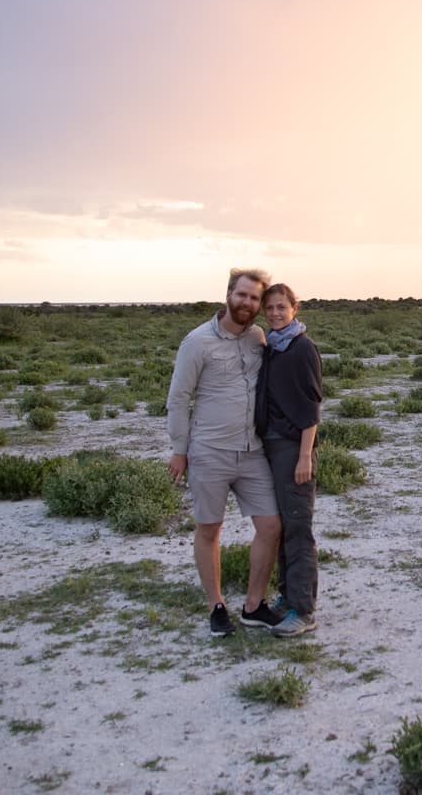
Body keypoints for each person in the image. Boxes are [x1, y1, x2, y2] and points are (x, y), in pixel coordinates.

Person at [166, 268, 284, 636]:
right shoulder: (197, 342)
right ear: (229, 294)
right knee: (209, 528)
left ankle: (253, 605)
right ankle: (216, 605)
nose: (247, 303)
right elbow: (178, 398)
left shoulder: (258, 338)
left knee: (270, 526)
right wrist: (179, 450)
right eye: (242, 295)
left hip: (251, 452)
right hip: (209, 452)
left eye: (254, 298)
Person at [255, 282, 323, 637]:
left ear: (295, 308)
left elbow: (312, 407)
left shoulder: (301, 348)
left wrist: (304, 456)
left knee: (298, 529)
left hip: (292, 449)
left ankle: (304, 611)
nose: (276, 314)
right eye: (270, 308)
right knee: (281, 528)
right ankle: (287, 598)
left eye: (282, 307)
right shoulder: (272, 348)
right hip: (271, 448)